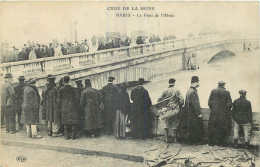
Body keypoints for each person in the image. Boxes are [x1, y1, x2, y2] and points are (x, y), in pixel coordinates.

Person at [178, 76, 204, 145]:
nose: (198, 84)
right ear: (194, 82)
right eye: (197, 82)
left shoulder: (188, 91)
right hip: (193, 113)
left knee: (190, 127)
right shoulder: (193, 92)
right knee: (195, 127)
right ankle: (195, 141)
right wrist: (199, 113)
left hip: (188, 113)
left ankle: (190, 141)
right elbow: (196, 104)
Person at [157, 78, 184, 143]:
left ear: (169, 83)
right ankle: (175, 139)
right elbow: (181, 100)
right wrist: (179, 106)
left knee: (166, 124)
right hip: (175, 110)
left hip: (166, 110)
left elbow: (159, 100)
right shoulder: (177, 90)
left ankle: (166, 138)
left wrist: (162, 108)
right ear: (174, 83)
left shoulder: (164, 90)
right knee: (175, 124)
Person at [208, 81, 232, 146]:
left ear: (218, 85)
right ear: (224, 85)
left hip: (214, 113)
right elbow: (229, 104)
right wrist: (226, 111)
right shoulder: (227, 92)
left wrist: (213, 109)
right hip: (222, 114)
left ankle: (211, 142)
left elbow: (209, 102)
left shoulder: (213, 91)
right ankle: (220, 142)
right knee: (221, 127)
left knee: (212, 127)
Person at [57, 75, 79, 140]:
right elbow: (76, 98)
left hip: (64, 107)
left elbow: (59, 100)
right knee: (73, 122)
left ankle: (66, 136)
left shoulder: (61, 90)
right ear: (69, 81)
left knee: (65, 122)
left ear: (64, 81)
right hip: (72, 107)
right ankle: (73, 136)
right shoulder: (74, 89)